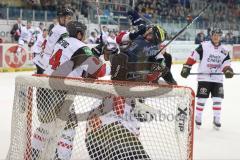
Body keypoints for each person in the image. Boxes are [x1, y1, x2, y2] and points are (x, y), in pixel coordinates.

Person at [32, 21, 108, 160]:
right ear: (79, 34)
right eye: (83, 33)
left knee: (46, 124)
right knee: (69, 129)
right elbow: (99, 71)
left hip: (44, 86)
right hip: (59, 91)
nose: (84, 36)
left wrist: (93, 53)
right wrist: (99, 57)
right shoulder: (81, 47)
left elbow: (75, 61)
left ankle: (33, 154)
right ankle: (62, 158)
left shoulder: (62, 41)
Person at [180, 28, 234, 129]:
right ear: (211, 35)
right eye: (214, 35)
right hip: (204, 77)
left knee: (218, 99)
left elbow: (226, 64)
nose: (216, 37)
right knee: (202, 99)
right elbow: (193, 56)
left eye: (218, 35)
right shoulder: (204, 46)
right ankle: (198, 117)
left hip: (217, 79)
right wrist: (187, 67)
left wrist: (227, 70)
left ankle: (217, 118)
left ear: (220, 37)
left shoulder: (225, 50)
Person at [33, 7, 73, 74]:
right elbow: (65, 48)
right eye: (66, 18)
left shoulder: (56, 26)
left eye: (68, 18)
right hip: (47, 61)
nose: (67, 20)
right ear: (60, 18)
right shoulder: (63, 30)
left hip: (42, 58)